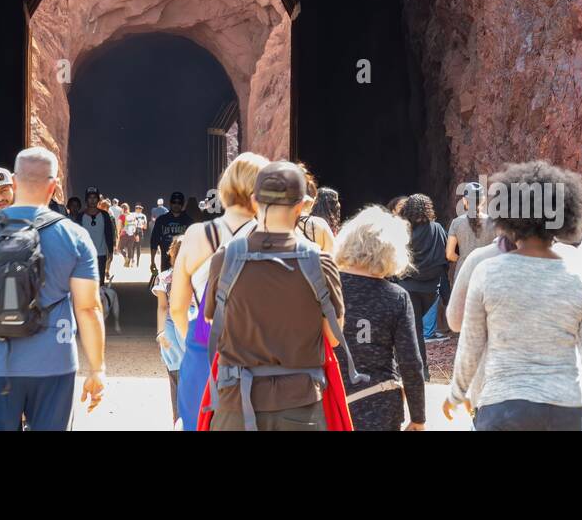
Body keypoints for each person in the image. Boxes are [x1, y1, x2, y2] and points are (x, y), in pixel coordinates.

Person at [444, 160, 582, 432]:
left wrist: (457, 392)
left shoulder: (487, 270)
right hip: (565, 407)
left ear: (506, 217)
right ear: (565, 215)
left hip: (501, 403)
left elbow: (470, 342)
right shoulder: (580, 269)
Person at [0, 147, 106, 431]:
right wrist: (97, 369)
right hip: (54, 365)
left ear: (14, 180)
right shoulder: (74, 236)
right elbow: (88, 308)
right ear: (53, 186)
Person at [202, 161, 356, 432]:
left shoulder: (225, 259)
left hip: (234, 404)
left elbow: (212, 321)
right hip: (300, 405)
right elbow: (333, 338)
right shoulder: (320, 263)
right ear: (301, 205)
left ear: (254, 201)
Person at [169, 153, 265, 430]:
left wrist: (197, 338)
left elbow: (177, 306)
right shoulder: (272, 235)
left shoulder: (198, 234)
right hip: (258, 346)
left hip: (204, 339)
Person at [334, 205, 426, 431]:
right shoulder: (396, 297)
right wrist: (418, 417)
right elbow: (410, 362)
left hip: (331, 401)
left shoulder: (327, 288)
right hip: (381, 404)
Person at [397, 194, 451, 368]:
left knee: (414, 329)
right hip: (431, 289)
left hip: (408, 287)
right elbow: (446, 258)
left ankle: (420, 369)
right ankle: (421, 370)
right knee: (418, 328)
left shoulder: (403, 231)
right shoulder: (438, 229)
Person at [152, 236, 192, 426]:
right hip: (191, 326)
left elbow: (162, 307)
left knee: (175, 378)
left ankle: (178, 421)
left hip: (170, 328)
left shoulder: (164, 277)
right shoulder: (201, 276)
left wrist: (161, 332)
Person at [446, 181, 493, 284]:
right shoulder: (492, 223)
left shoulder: (456, 223)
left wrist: (464, 259)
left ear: (464, 200)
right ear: (483, 200)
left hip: (462, 274)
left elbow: (449, 254)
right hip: (485, 275)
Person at [75, 188, 117, 282]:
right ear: (86, 200)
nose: (92, 200)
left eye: (95, 197)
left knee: (99, 284)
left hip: (100, 255)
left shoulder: (104, 215)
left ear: (98, 200)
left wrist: (110, 250)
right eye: (90, 198)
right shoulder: (80, 216)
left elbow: (108, 233)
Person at [150, 191, 192, 274]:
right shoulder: (161, 220)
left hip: (184, 263)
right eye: (174, 202)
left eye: (179, 202)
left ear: (182, 204)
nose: (176, 204)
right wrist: (152, 261)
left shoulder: (189, 221)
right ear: (170, 203)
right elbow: (154, 241)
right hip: (166, 263)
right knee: (166, 285)